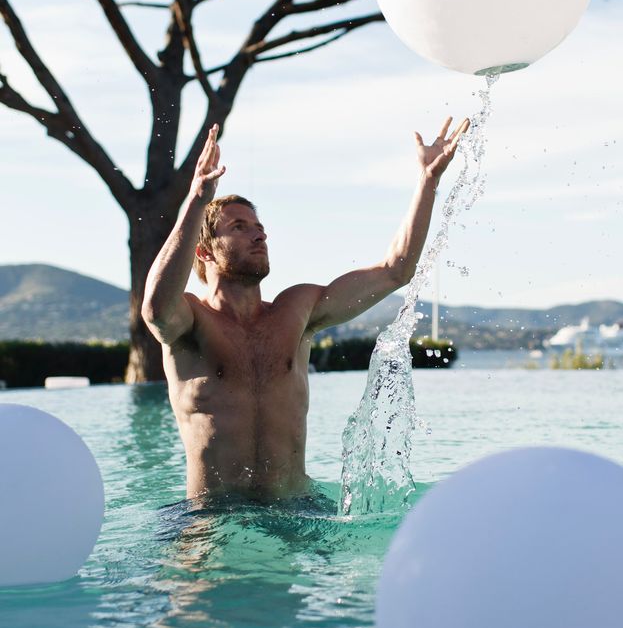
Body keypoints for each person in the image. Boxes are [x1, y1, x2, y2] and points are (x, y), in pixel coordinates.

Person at [142, 116, 469, 503]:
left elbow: (394, 270)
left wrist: (427, 182)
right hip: (213, 518)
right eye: (240, 227)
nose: (259, 234)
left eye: (259, 226)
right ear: (205, 250)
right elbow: (156, 307)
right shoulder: (191, 321)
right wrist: (197, 198)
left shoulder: (296, 311)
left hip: (299, 510)